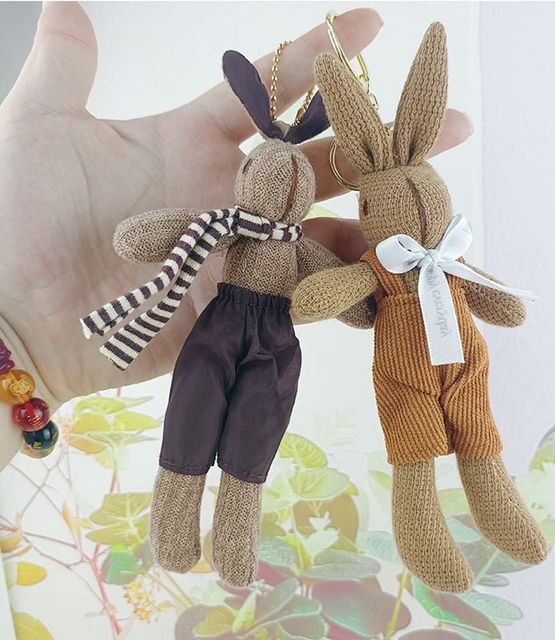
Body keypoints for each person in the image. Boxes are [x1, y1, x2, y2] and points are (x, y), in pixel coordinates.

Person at [0, 2, 472, 469]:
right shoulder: (226, 225)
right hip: (218, 325)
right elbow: (152, 235)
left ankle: (233, 506)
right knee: (192, 428)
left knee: (255, 431)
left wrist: (29, 348)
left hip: (265, 336)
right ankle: (185, 496)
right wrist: (25, 342)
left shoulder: (269, 238)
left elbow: (324, 289)